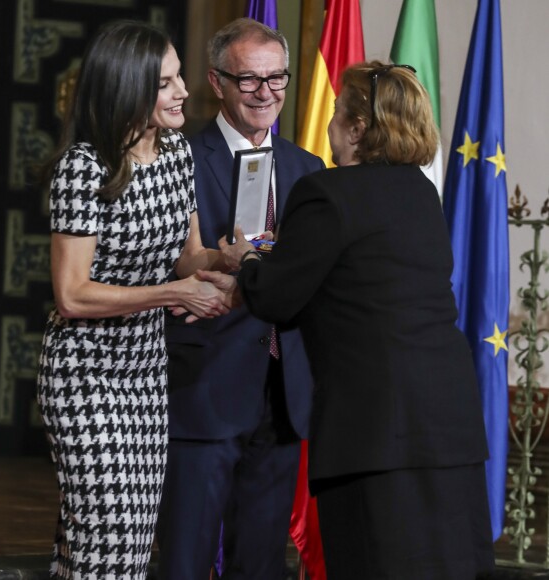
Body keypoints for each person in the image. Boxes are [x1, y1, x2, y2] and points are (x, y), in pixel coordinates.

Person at [204, 61, 495, 579]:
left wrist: (245, 259)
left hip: (375, 435)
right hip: (446, 425)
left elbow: (275, 297)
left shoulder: (328, 193)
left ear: (359, 129)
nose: (331, 126)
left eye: (338, 114)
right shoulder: (422, 194)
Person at [36, 20, 231, 579]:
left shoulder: (176, 154)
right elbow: (72, 296)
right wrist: (173, 293)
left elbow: (188, 255)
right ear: (128, 87)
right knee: (106, 536)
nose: (183, 91)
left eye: (178, 78)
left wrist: (228, 260)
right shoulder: (84, 167)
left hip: (144, 374)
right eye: (166, 83)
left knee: (126, 540)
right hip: (85, 376)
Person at [156, 17, 325, 580]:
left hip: (283, 396)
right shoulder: (175, 159)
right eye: (249, 80)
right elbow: (158, 267)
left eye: (277, 79)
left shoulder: (309, 170)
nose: (266, 93)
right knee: (186, 562)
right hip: (203, 389)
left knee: (260, 566)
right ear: (216, 81)